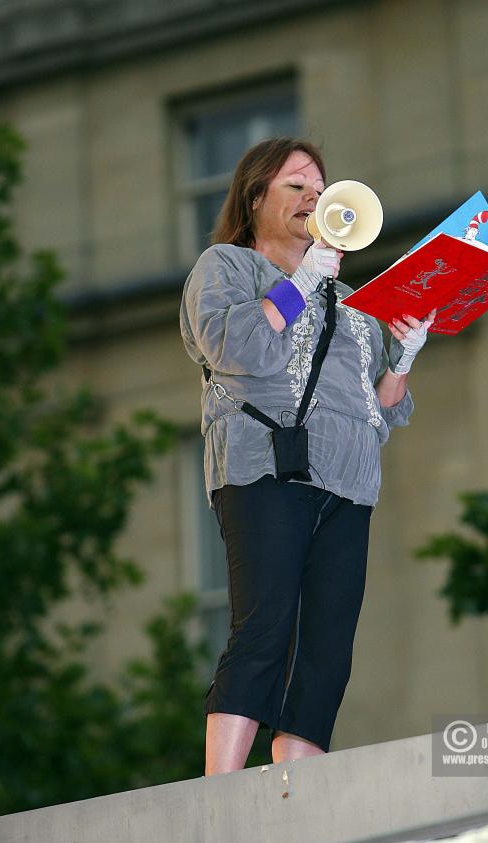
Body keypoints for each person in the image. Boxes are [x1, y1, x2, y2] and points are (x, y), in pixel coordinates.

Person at [180, 137, 435, 776]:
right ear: (255, 196)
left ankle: (299, 789)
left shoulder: (354, 309)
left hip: (349, 486)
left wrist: (403, 355)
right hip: (263, 467)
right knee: (265, 623)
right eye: (295, 186)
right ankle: (221, 786)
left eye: (320, 191)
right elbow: (241, 348)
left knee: (328, 646)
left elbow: (375, 411)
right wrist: (307, 279)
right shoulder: (227, 268)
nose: (312, 200)